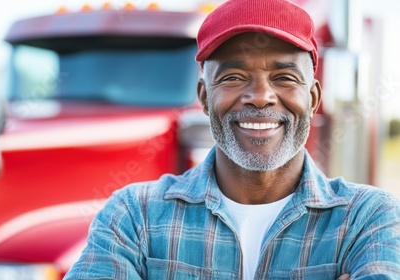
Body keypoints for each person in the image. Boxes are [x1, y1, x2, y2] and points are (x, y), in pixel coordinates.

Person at [64, 0, 400, 279]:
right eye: (234, 77)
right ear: (204, 97)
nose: (260, 97)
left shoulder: (368, 219)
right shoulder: (135, 216)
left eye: (283, 77)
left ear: (312, 98)